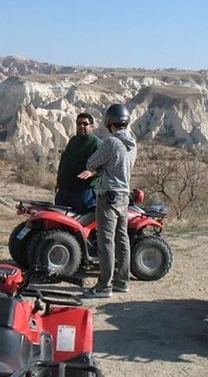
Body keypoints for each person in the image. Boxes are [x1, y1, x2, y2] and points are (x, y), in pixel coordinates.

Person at [77, 104, 137, 298]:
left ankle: (104, 286)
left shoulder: (112, 142)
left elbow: (91, 162)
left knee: (106, 242)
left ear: (110, 122)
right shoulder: (133, 143)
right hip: (123, 196)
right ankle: (122, 282)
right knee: (122, 240)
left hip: (108, 196)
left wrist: (99, 169)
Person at [54, 112, 102, 211]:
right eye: (79, 124)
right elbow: (64, 161)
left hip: (84, 192)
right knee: (61, 220)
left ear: (92, 126)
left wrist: (92, 172)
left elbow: (103, 166)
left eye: (85, 124)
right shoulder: (73, 141)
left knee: (83, 222)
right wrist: (58, 182)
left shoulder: (96, 144)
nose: (81, 126)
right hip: (64, 191)